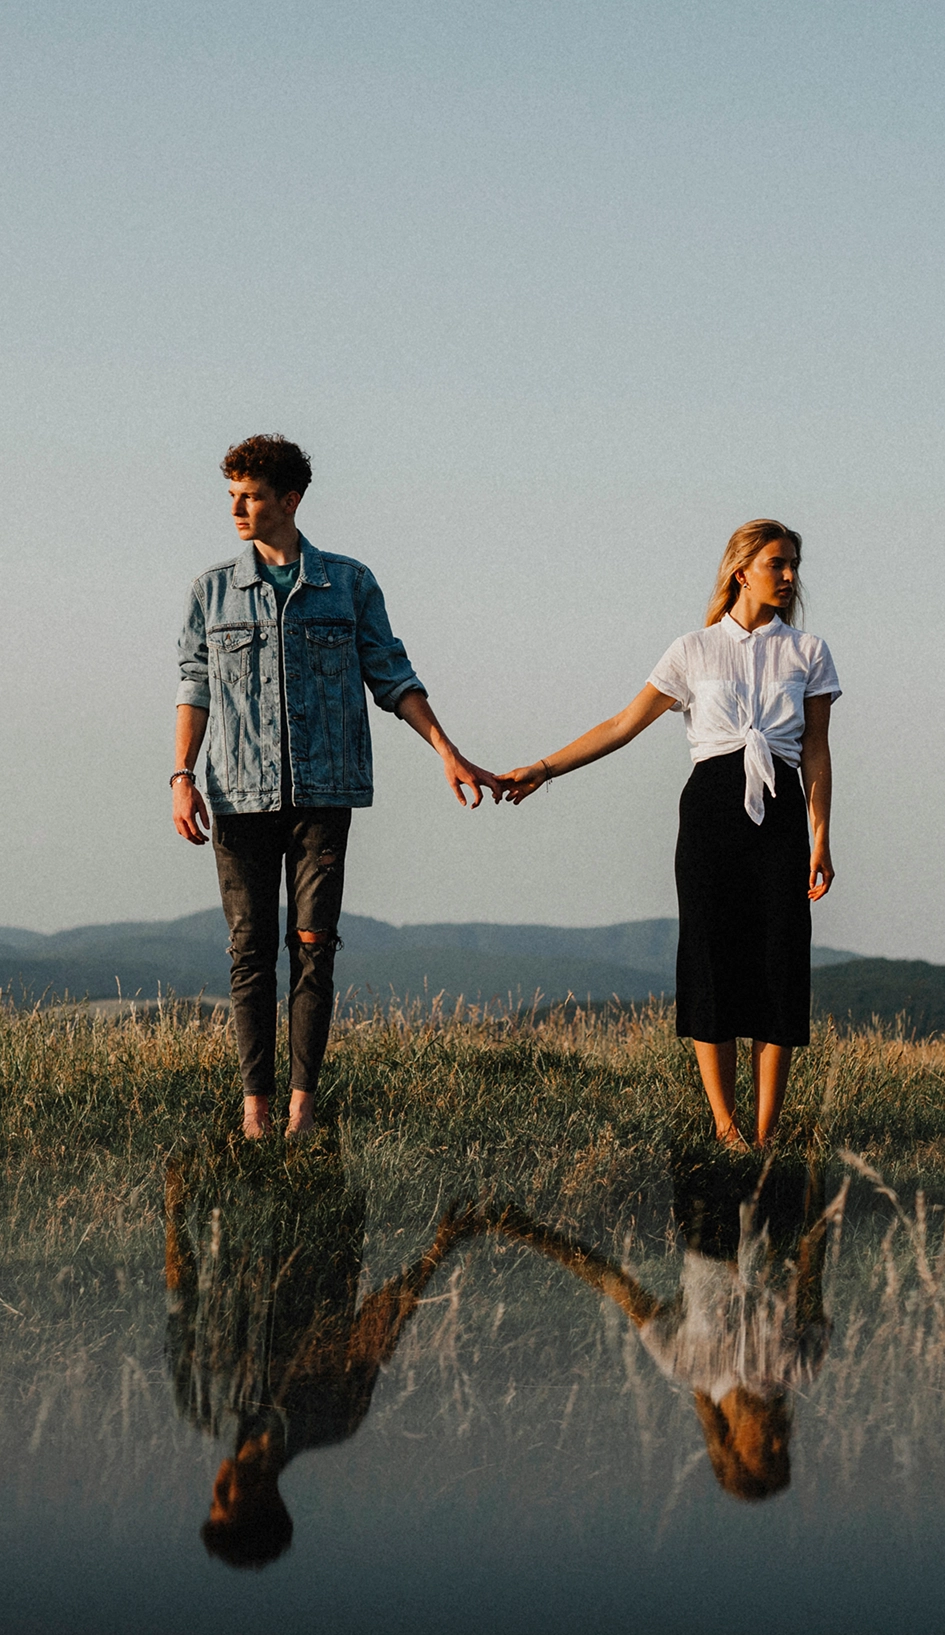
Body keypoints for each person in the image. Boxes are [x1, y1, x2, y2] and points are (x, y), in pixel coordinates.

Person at [173, 434, 502, 1139]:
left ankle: (302, 1106)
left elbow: (393, 676)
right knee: (250, 949)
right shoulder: (211, 591)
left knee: (314, 943)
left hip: (325, 795)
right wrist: (180, 775)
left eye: (252, 494)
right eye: (231, 493)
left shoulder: (349, 584)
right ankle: (254, 1107)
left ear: (288, 500)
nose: (237, 506)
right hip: (236, 795)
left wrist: (447, 751)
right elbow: (194, 687)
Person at [498, 519, 840, 1148]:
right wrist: (544, 768)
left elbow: (815, 751)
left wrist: (821, 837)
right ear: (741, 570)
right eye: (777, 564)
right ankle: (727, 1128)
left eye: (794, 565)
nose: (791, 576)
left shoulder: (809, 652)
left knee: (778, 965)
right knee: (711, 960)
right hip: (711, 813)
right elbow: (622, 725)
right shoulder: (692, 650)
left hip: (781, 810)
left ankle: (767, 1136)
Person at [164, 1148, 479, 1567]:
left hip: (233, 1196)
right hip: (318, 1211)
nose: (216, 1490)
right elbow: (379, 1326)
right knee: (315, 1103)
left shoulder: (196, 1405)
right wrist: (438, 1250)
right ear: (272, 1503)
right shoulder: (335, 1420)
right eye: (228, 1502)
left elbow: (180, 1298)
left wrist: (175, 1208)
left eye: (211, 1502)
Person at [483, 1155, 839, 1502]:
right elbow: (813, 1263)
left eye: (769, 1454)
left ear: (729, 1443)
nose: (781, 1442)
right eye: (785, 1453)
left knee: (715, 1139)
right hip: (778, 1217)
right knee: (769, 1132)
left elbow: (615, 1284)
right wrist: (817, 1168)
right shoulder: (801, 1367)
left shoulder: (684, 1364)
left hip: (709, 1222)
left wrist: (523, 1229)